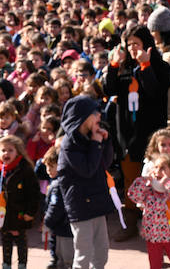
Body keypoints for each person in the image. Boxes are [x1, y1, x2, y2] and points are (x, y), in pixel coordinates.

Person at [100, 24, 170, 241]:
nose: (132, 49)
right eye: (129, 44)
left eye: (136, 44)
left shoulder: (160, 66)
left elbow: (156, 92)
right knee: (131, 180)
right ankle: (130, 223)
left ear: (146, 44)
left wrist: (145, 65)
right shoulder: (122, 68)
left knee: (155, 179)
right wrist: (113, 65)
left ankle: (158, 224)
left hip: (150, 133)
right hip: (127, 134)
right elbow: (108, 90)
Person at [58, 95, 115, 269]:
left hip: (97, 201)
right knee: (84, 255)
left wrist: (105, 142)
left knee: (101, 253)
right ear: (83, 117)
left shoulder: (92, 137)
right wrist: (96, 144)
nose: (99, 116)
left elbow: (106, 162)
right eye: (95, 113)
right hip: (81, 206)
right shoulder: (70, 144)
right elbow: (88, 170)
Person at [127, 153, 170, 269]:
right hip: (152, 235)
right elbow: (133, 195)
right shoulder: (148, 188)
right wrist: (143, 181)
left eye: (163, 168)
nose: (158, 171)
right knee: (155, 264)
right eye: (156, 167)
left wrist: (167, 183)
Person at [0, 135, 40, 269]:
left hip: (20, 212)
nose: (6, 153)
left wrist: (31, 212)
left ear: (18, 152)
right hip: (3, 214)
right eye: (3, 150)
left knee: (20, 239)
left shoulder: (25, 169)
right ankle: (6, 263)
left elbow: (34, 193)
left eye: (11, 150)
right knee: (6, 239)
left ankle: (22, 264)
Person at [43, 145, 73, 269]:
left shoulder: (57, 185)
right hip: (64, 227)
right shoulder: (64, 181)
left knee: (65, 259)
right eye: (47, 167)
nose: (48, 170)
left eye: (51, 166)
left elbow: (55, 208)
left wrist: (47, 221)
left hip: (62, 228)